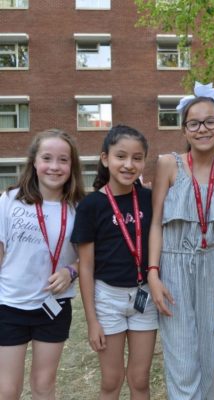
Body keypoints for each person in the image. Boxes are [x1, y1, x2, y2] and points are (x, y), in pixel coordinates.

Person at [147, 81, 214, 399]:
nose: (203, 129)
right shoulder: (169, 165)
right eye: (194, 123)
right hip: (173, 264)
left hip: (212, 266)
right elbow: (156, 222)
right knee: (182, 356)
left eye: (210, 121)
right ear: (184, 130)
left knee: (206, 356)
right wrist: (153, 273)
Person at [71, 125, 158, 400]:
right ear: (105, 158)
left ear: (144, 161)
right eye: (121, 156)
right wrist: (92, 321)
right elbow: (85, 266)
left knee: (140, 380)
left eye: (137, 158)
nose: (129, 164)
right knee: (111, 381)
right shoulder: (91, 205)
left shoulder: (150, 198)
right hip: (108, 298)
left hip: (145, 297)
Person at [0, 129, 84, 400]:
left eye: (63, 160)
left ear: (72, 166)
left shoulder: (78, 207)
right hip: (9, 305)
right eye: (47, 158)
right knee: (7, 389)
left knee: (44, 385)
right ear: (34, 162)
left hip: (53, 307)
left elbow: (90, 258)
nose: (55, 166)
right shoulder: (9, 201)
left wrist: (71, 271)